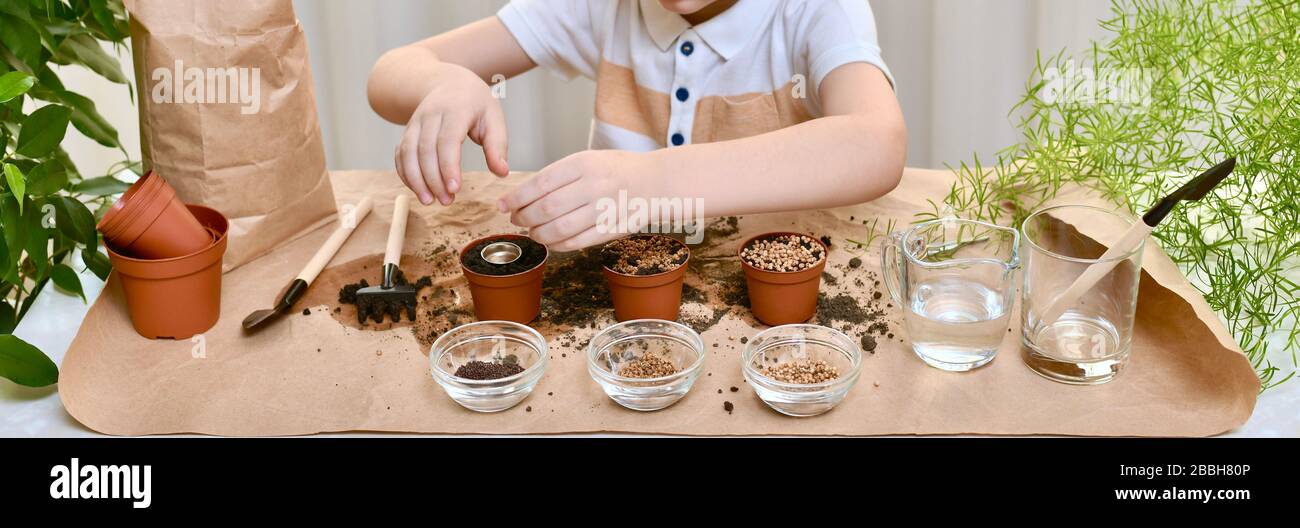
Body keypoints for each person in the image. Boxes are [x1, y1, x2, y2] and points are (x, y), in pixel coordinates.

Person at [367, 0, 906, 251]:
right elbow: (391, 71)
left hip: (775, 306)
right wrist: (443, 83)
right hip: (621, 303)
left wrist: (654, 182)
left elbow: (876, 142)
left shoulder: (817, 10)